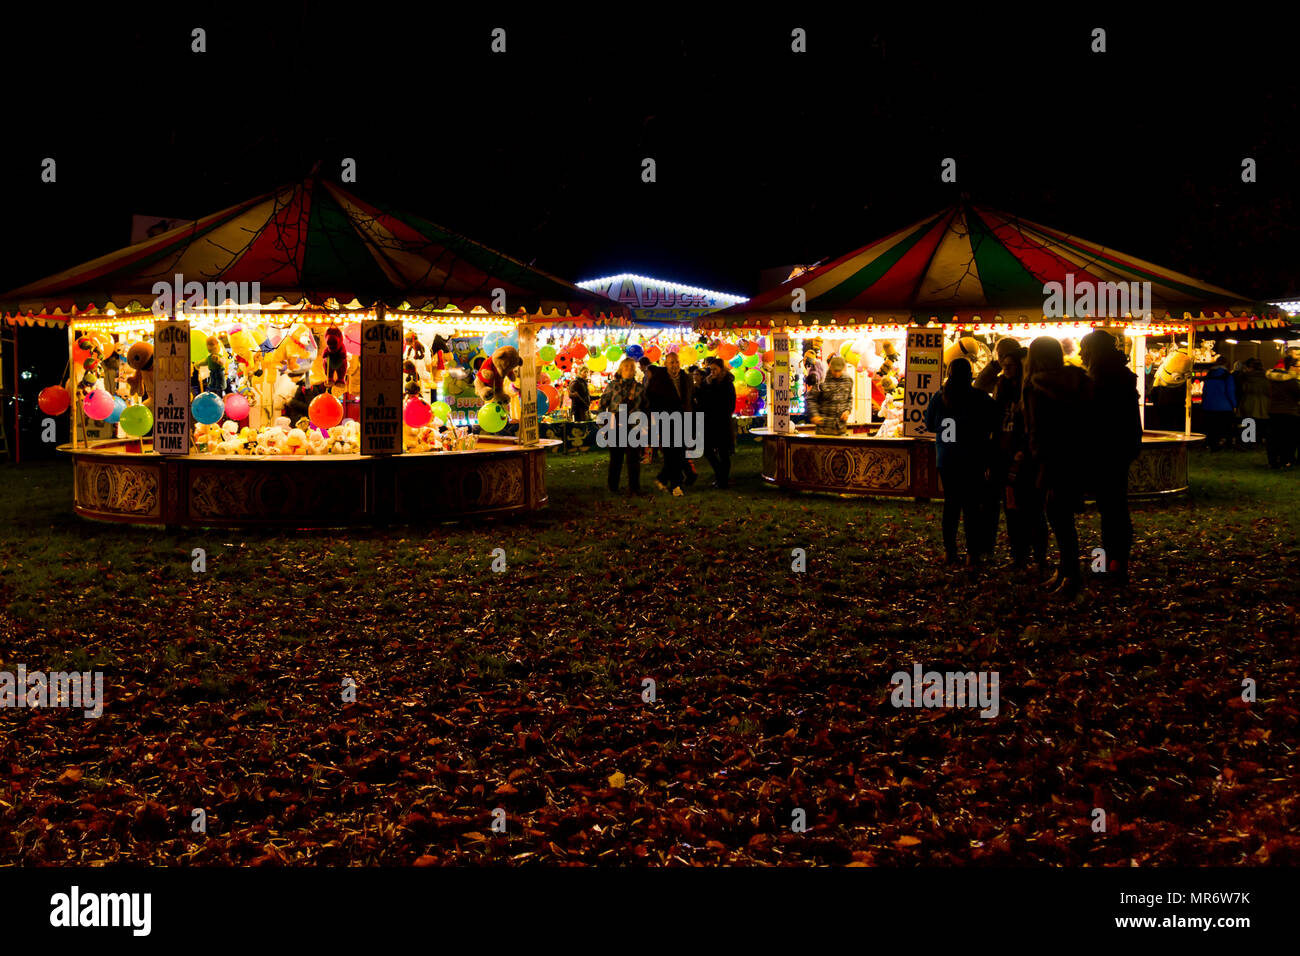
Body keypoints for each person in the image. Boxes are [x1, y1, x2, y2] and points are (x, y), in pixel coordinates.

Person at [1022, 336, 1092, 598]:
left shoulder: (1036, 387)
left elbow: (1038, 427)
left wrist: (1037, 452)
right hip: (1073, 454)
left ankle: (1070, 574)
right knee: (1062, 516)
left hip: (1052, 457)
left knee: (1058, 516)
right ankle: (1066, 570)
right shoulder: (1076, 382)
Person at [1080, 329, 1142, 587]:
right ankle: (1116, 559)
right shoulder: (1122, 377)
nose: (1081, 355)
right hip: (1120, 446)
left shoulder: (1100, 379)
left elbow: (1094, 417)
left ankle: (1113, 560)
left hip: (1105, 448)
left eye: (1084, 350)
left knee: (1110, 506)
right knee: (1114, 504)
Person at [925, 358, 996, 566]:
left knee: (951, 505)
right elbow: (994, 420)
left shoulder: (939, 397)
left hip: (947, 459)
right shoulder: (979, 397)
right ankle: (972, 554)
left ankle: (950, 551)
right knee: (972, 507)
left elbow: (929, 424)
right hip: (973, 458)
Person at [645, 350, 694, 496]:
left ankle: (663, 478)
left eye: (677, 362)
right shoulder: (658, 379)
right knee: (672, 453)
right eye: (671, 362)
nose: (675, 365)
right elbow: (651, 400)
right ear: (665, 364)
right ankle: (676, 485)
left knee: (678, 454)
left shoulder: (685, 378)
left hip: (683, 420)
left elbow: (690, 398)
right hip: (666, 420)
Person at [599, 357, 646, 494]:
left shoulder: (639, 387)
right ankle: (613, 487)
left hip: (634, 425)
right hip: (615, 425)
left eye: (632, 367)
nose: (629, 370)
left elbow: (646, 407)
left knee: (633, 458)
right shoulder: (613, 385)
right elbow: (602, 404)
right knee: (616, 458)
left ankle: (634, 487)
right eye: (626, 367)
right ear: (621, 369)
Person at [698, 356, 737, 488]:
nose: (712, 372)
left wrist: (711, 390)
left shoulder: (727, 384)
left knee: (723, 453)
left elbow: (728, 404)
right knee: (708, 451)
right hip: (710, 422)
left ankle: (723, 480)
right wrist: (706, 385)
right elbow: (703, 400)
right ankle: (720, 476)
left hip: (722, 423)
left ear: (721, 370)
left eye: (715, 369)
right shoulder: (709, 382)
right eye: (711, 369)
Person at [1265, 354, 1300, 469]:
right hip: (1289, 412)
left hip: (1274, 411)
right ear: (1292, 367)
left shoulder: (1272, 381)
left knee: (1274, 438)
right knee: (1288, 439)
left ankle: (1273, 461)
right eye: (1298, 366)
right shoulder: (1292, 382)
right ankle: (1285, 460)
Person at [809, 354, 853, 435]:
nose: (836, 373)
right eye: (834, 371)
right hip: (824, 428)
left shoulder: (848, 380)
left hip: (841, 427)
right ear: (830, 367)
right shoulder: (821, 379)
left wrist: (847, 410)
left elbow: (849, 398)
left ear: (843, 368)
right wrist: (814, 414)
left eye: (839, 371)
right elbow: (811, 399)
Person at [1200, 357, 1237, 452]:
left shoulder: (1209, 375)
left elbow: (1204, 391)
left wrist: (1204, 403)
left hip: (1209, 406)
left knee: (1211, 428)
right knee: (1226, 428)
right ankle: (1227, 445)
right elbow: (1230, 391)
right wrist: (1234, 405)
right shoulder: (1227, 376)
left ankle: (1212, 446)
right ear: (1226, 364)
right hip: (1224, 406)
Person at [1237, 357, 1270, 452]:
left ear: (1249, 367)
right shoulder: (1267, 378)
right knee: (1261, 426)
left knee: (1248, 425)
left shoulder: (1245, 377)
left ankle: (1247, 445)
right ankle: (1259, 443)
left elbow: (1241, 390)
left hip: (1248, 404)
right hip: (1264, 405)